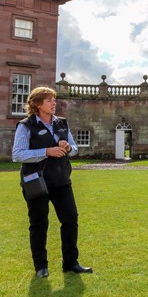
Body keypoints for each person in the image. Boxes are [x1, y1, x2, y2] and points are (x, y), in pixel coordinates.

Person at [12, 86, 93, 278]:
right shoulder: (26, 126)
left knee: (70, 219)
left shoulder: (62, 124)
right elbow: (17, 154)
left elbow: (74, 149)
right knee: (39, 223)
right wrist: (46, 151)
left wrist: (67, 147)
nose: (54, 103)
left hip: (62, 181)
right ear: (37, 104)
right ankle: (41, 266)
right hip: (37, 182)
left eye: (54, 100)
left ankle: (71, 263)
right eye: (49, 100)